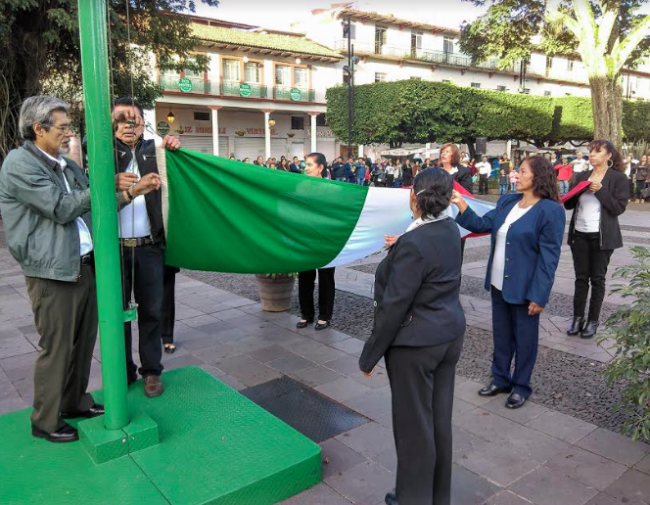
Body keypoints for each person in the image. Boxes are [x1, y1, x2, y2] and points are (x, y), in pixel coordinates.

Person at [0, 96, 160, 443]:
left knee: (84, 341)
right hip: (52, 271)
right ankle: (45, 420)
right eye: (62, 128)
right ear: (38, 129)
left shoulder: (63, 164)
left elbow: (93, 206)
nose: (69, 134)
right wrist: (104, 186)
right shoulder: (20, 164)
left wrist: (133, 191)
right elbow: (59, 208)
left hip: (84, 265)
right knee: (58, 345)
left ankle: (74, 402)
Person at [359, 169, 465, 505]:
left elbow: (394, 306)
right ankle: (436, 497)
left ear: (412, 198)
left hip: (416, 344)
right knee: (437, 424)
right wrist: (402, 245)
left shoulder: (415, 242)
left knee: (413, 430)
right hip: (448, 335)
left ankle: (412, 499)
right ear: (448, 198)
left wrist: (370, 355)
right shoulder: (449, 228)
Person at [452, 155, 565, 409]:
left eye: (522, 171)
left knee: (525, 339)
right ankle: (500, 378)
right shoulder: (507, 201)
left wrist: (540, 294)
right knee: (502, 335)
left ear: (537, 177)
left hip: (526, 288)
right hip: (498, 283)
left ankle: (521, 385)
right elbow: (481, 224)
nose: (516, 175)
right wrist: (460, 203)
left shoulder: (551, 210)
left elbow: (550, 258)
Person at [113, 97, 181, 398]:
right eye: (120, 119)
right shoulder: (98, 156)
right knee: (118, 312)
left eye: (134, 119)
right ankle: (123, 369)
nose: (128, 125)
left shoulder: (156, 151)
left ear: (143, 123)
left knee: (152, 310)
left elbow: (181, 180)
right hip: (113, 250)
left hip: (150, 247)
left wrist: (175, 147)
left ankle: (151, 371)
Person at [565, 140, 629, 339]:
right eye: (590, 151)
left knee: (598, 279)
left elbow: (618, 208)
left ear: (608, 155)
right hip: (579, 234)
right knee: (581, 278)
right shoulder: (582, 176)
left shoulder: (618, 178)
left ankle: (592, 321)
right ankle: (577, 318)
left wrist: (599, 190)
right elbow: (568, 204)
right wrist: (578, 191)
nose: (592, 155)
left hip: (603, 236)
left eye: (597, 151)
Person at [296, 153, 336, 331]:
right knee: (305, 277)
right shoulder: (301, 187)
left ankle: (324, 316)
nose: (306, 167)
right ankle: (306, 314)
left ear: (320, 168)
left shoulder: (331, 188)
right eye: (306, 164)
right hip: (305, 239)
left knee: (326, 278)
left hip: (325, 240)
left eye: (310, 164)